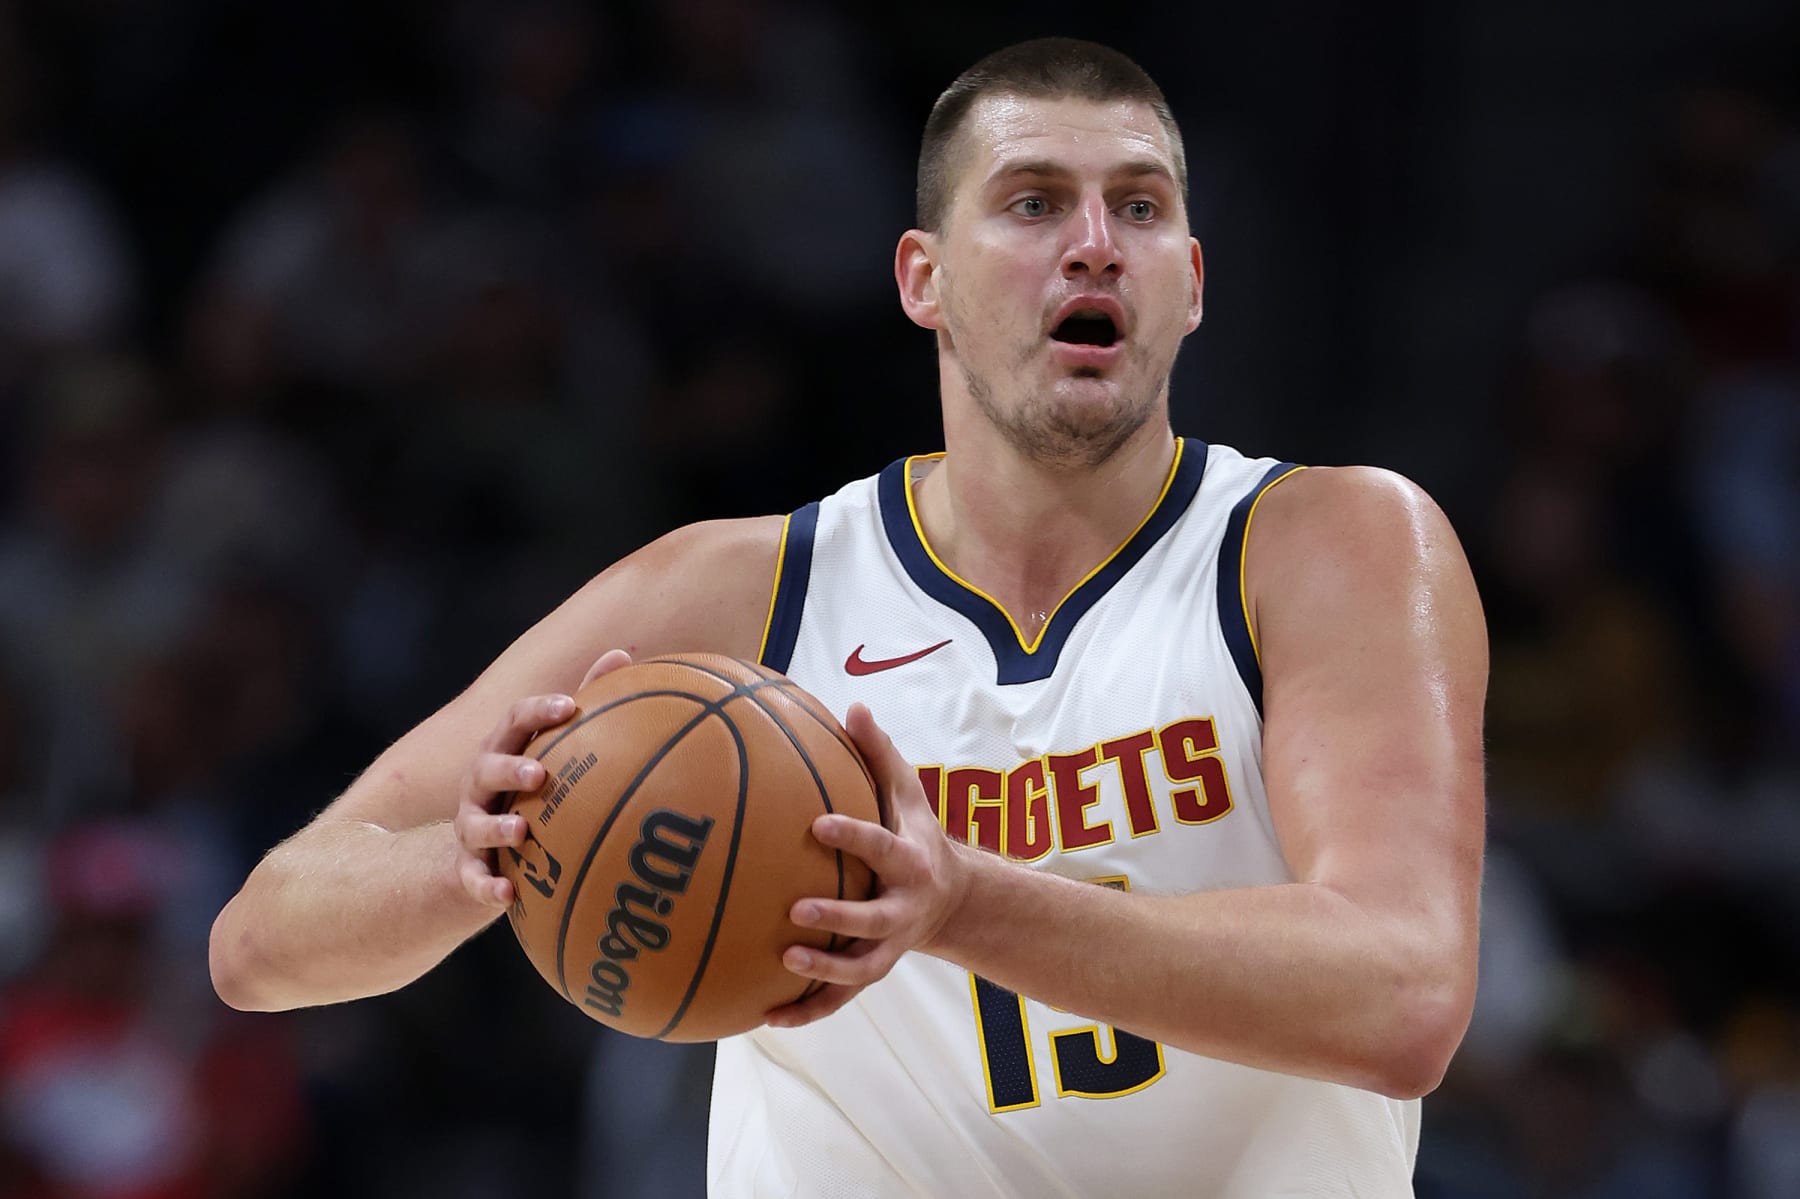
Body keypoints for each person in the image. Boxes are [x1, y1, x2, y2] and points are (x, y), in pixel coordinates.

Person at [210, 37, 1487, 1198]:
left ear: (1192, 282)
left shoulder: (1329, 546)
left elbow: (1403, 994)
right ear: (922, 279)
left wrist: (956, 901)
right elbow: (261, 938)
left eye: (1141, 208)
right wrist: (468, 859)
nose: (1095, 242)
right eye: (1035, 201)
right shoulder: (732, 595)